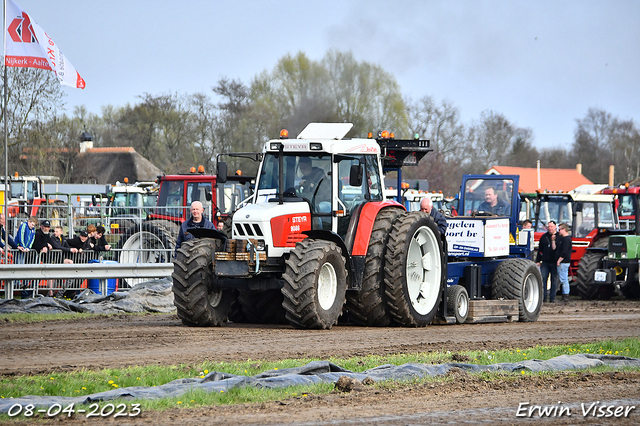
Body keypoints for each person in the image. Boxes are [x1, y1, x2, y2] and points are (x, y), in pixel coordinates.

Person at [15, 216, 37, 298]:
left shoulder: (32, 230)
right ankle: (16, 282)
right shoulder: (24, 225)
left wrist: (28, 247)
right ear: (29, 221)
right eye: (32, 224)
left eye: (34, 225)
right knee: (18, 264)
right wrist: (22, 246)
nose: (32, 226)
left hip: (25, 249)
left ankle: (21, 283)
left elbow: (32, 239)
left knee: (22, 264)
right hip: (19, 248)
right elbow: (21, 235)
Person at [536, 221, 558, 303]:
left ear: (555, 227)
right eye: (548, 227)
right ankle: (544, 297)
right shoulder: (544, 237)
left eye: (551, 227)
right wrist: (538, 260)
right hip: (545, 262)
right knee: (543, 279)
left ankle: (552, 298)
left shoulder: (559, 237)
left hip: (554, 261)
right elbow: (540, 250)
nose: (550, 228)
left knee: (554, 280)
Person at [556, 223, 572, 303]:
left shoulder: (566, 240)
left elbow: (564, 252)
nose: (558, 231)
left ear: (564, 229)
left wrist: (559, 260)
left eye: (560, 229)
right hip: (565, 261)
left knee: (564, 279)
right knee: (563, 278)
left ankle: (565, 296)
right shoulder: (566, 239)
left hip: (564, 262)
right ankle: (564, 295)